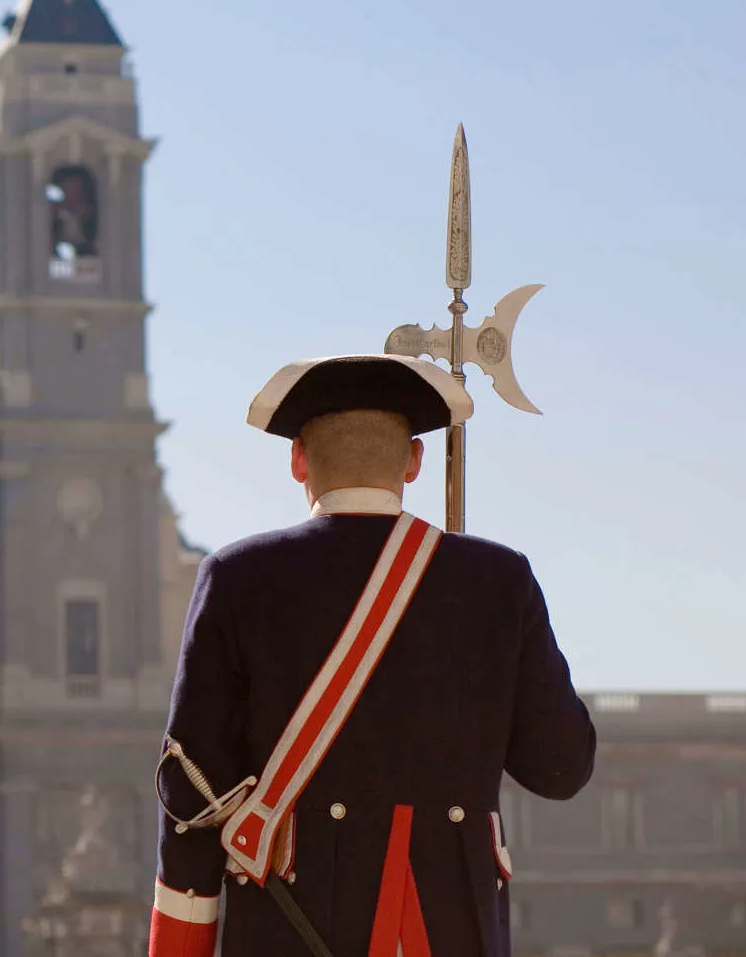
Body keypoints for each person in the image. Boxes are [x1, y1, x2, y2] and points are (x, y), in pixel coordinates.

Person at [149, 354, 595, 957]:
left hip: (289, 928)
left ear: (298, 460)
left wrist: (181, 943)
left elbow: (193, 793)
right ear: (414, 461)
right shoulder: (499, 578)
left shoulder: (237, 576)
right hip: (453, 930)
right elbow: (561, 767)